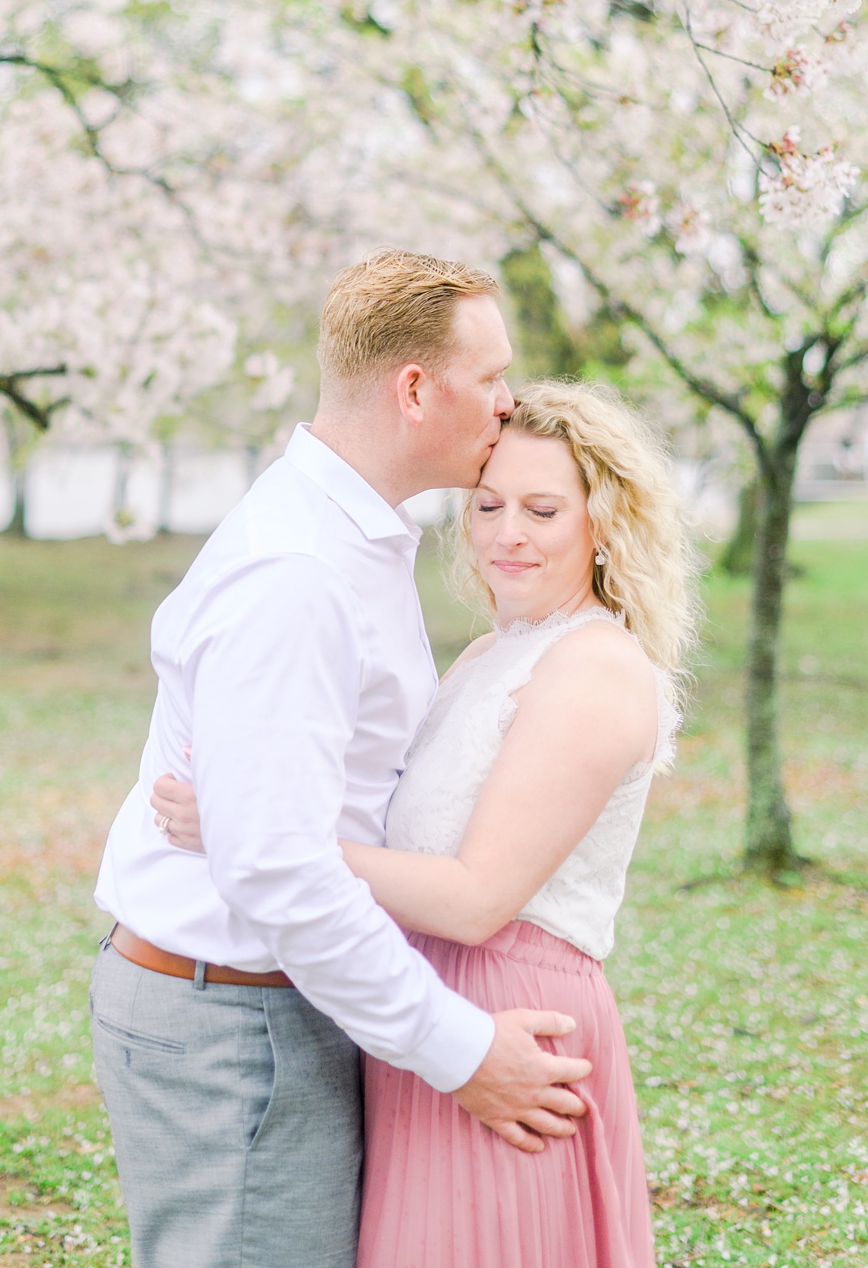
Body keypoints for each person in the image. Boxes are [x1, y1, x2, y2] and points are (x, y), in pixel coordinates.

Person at [90, 252, 593, 1268]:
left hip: (277, 1002)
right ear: (416, 389)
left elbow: (296, 815)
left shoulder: (351, 538)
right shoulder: (300, 573)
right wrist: (462, 1052)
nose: (507, 401)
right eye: (489, 376)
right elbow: (275, 865)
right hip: (235, 1024)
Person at [156, 379, 694, 1267]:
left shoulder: (595, 667)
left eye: (544, 509)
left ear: (604, 524)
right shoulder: (495, 651)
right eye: (488, 505)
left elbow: (480, 897)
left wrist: (255, 835)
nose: (506, 534)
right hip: (429, 1012)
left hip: (513, 1017)